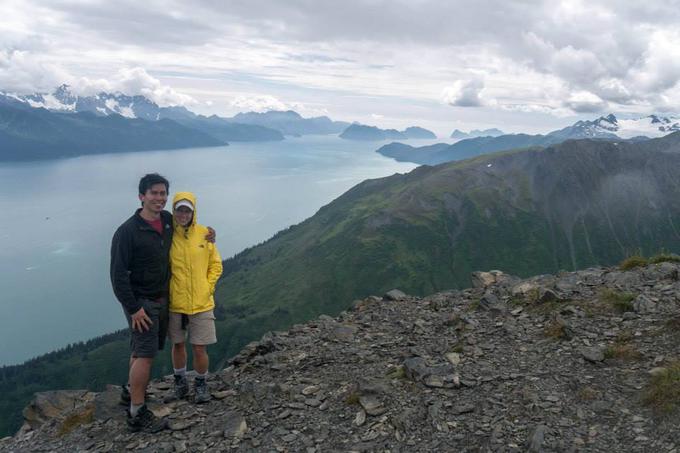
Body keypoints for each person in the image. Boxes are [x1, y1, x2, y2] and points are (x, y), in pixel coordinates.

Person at [110, 174, 215, 432]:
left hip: (163, 299)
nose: (159, 198)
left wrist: (209, 234)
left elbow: (189, 227)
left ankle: (130, 393)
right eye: (153, 193)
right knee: (145, 355)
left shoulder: (167, 222)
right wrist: (134, 308)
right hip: (142, 303)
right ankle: (137, 413)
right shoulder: (127, 231)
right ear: (141, 197)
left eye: (162, 194)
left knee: (138, 350)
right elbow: (117, 274)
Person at [168, 192, 222, 403]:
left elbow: (215, 264)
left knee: (200, 347)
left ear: (193, 212)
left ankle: (200, 384)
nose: (183, 214)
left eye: (187, 210)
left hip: (201, 303)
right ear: (173, 211)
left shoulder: (204, 234)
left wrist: (207, 287)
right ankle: (180, 382)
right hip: (176, 302)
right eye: (179, 209)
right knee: (178, 344)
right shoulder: (167, 235)